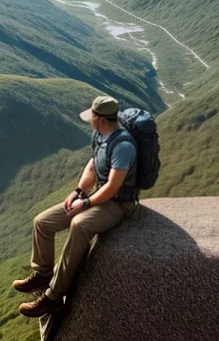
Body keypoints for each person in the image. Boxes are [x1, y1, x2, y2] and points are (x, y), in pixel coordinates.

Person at [13, 95, 139, 318]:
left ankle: (53, 296)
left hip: (119, 205)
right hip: (97, 197)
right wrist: (78, 191)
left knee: (79, 225)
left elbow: (112, 186)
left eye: (93, 118)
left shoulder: (124, 147)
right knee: (43, 222)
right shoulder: (103, 137)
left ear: (100, 119)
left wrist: (87, 202)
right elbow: (92, 167)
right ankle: (42, 273)